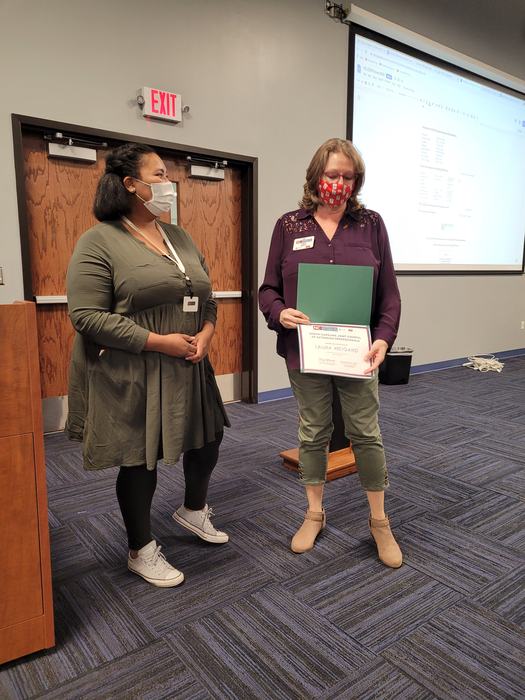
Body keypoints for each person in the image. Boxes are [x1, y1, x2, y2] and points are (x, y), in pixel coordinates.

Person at [66, 142, 230, 587]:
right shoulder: (98, 241)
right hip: (135, 368)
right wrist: (160, 342)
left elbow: (208, 296)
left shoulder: (179, 237)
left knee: (208, 439)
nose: (168, 183)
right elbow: (86, 316)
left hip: (190, 362)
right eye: (158, 175)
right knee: (140, 461)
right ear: (130, 185)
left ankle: (193, 510)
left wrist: (208, 335)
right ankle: (141, 548)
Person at [259, 137, 403, 567]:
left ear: (356, 181)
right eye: (331, 174)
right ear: (316, 176)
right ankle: (314, 512)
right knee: (313, 431)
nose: (338, 183)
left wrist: (384, 338)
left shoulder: (371, 224)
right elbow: (267, 289)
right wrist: (279, 312)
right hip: (307, 352)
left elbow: (390, 295)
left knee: (365, 433)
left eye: (347, 176)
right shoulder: (289, 225)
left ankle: (379, 522)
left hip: (358, 353)